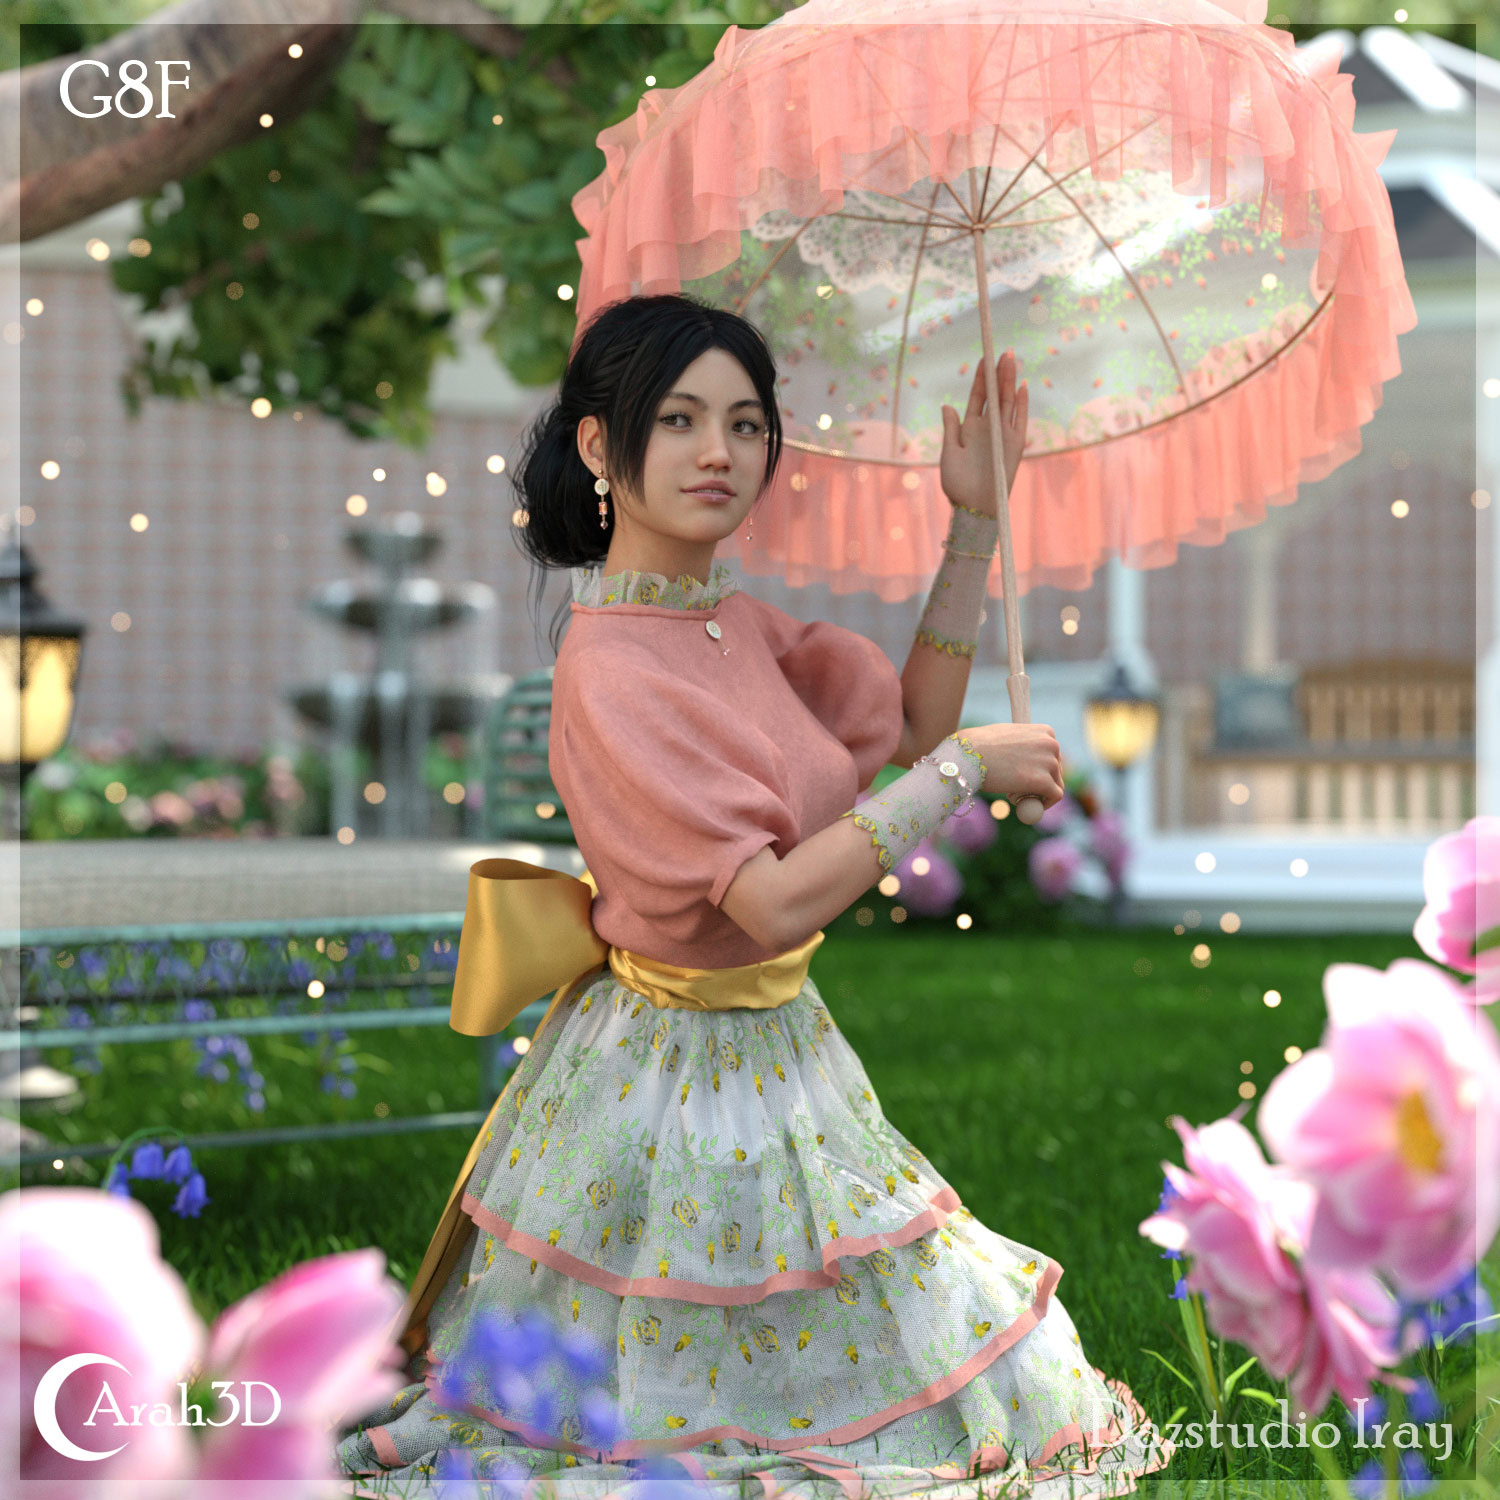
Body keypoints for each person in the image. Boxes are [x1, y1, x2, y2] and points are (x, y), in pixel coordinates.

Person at [338, 294, 1175, 1498]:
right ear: (597, 449)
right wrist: (961, 775)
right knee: (672, 1354)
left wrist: (975, 524)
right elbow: (779, 902)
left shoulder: (730, 619)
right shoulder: (615, 665)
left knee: (854, 1306)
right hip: (665, 1067)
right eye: (676, 421)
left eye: (744, 422)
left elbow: (908, 725)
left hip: (782, 1044)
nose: (718, 452)